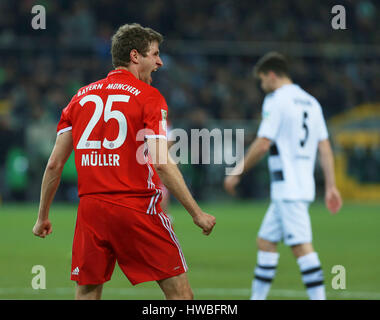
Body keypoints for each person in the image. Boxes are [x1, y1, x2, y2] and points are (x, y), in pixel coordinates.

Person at [33, 23, 216, 300]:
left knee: (87, 293)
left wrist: (42, 216)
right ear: (134, 56)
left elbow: (54, 165)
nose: (159, 61)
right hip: (137, 207)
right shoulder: (149, 97)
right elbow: (162, 163)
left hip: (91, 211)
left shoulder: (79, 98)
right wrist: (196, 213)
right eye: (154, 54)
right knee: (180, 295)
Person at [224, 52, 342, 300]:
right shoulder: (311, 102)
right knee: (265, 241)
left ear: (272, 75)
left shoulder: (276, 100)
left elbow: (263, 143)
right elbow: (325, 147)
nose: (262, 85)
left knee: (301, 247)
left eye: (262, 80)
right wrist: (331, 185)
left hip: (288, 188)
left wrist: (236, 172)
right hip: (297, 186)